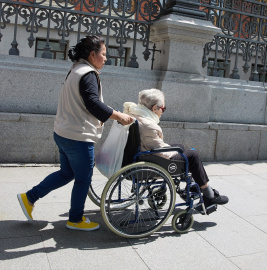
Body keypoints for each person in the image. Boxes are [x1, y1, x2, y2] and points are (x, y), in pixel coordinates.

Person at [17, 35, 134, 231]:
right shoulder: (88, 73)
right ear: (92, 54)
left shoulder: (76, 70)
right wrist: (119, 116)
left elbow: (87, 103)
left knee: (67, 173)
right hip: (78, 137)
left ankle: (29, 198)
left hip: (63, 133)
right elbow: (93, 105)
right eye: (104, 54)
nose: (106, 58)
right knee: (82, 178)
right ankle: (76, 219)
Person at [123, 88, 228, 207]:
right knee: (193, 155)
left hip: (139, 154)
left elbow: (153, 144)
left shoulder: (134, 115)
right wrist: (174, 151)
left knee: (180, 146)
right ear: (154, 108)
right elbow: (163, 153)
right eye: (163, 108)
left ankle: (193, 184)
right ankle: (209, 195)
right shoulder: (149, 126)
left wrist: (174, 149)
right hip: (148, 160)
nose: (162, 111)